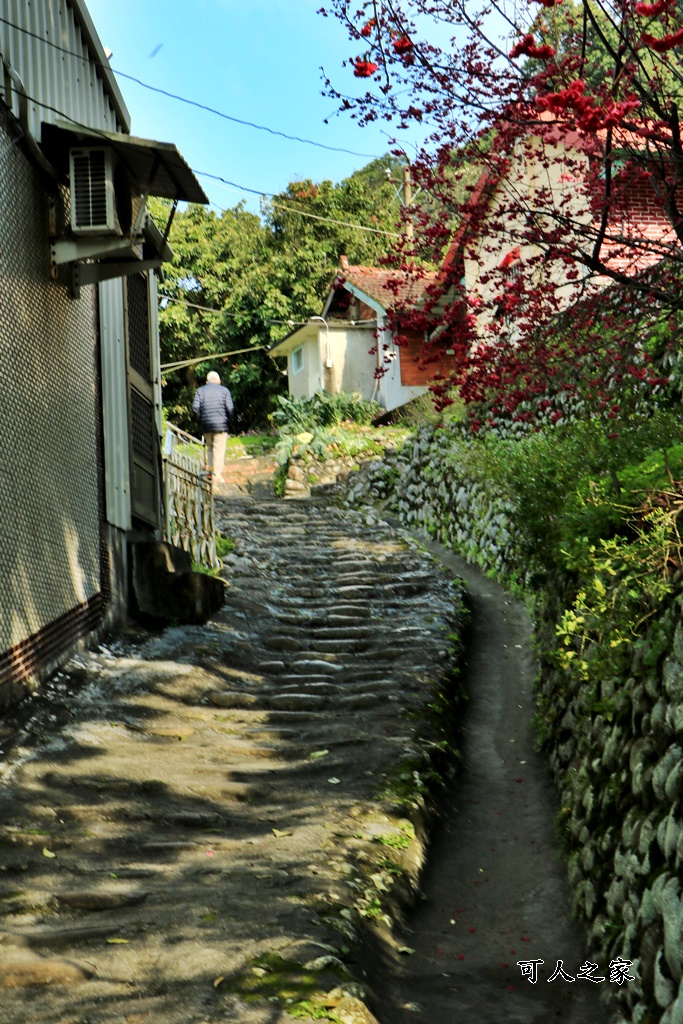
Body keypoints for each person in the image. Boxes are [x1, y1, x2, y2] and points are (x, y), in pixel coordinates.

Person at [192, 370, 234, 485]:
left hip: (206, 425)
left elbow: (195, 409)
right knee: (219, 450)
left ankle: (210, 472)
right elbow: (230, 408)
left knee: (210, 448)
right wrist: (228, 421)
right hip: (221, 425)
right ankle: (217, 476)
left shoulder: (200, 391)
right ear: (219, 381)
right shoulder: (225, 390)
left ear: (207, 382)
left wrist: (201, 421)